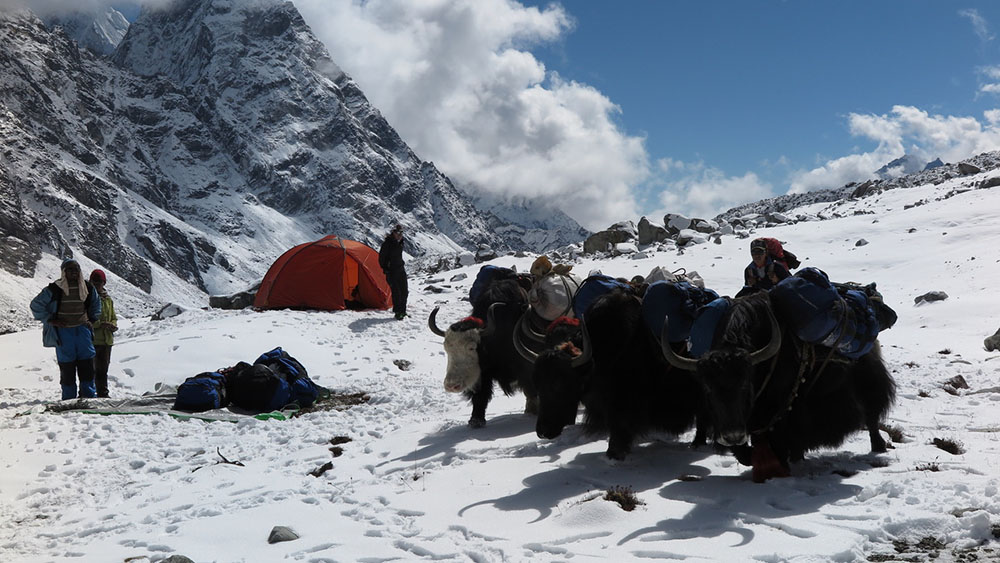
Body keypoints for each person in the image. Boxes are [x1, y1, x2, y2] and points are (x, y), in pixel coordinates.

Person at [29, 259, 102, 400]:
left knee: (86, 366)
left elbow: (96, 305)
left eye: (76, 269)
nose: (74, 272)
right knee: (67, 368)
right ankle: (68, 399)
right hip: (64, 333)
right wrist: (50, 320)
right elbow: (36, 305)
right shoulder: (55, 289)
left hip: (83, 332)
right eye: (70, 269)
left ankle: (88, 397)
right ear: (64, 272)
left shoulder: (87, 287)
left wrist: (91, 320)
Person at [90, 269, 117, 398]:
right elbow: (86, 319)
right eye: (94, 282)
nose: (97, 285)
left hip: (107, 340)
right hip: (94, 340)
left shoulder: (108, 300)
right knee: (92, 370)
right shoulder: (89, 299)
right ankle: (90, 392)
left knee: (103, 369)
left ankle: (102, 393)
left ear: (103, 283)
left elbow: (113, 316)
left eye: (99, 282)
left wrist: (113, 325)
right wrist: (100, 324)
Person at [379, 224, 409, 320]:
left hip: (400, 270)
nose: (400, 234)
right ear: (393, 233)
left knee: (404, 291)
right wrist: (386, 269)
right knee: (397, 292)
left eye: (401, 232)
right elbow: (381, 259)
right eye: (398, 232)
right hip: (391, 272)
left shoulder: (400, 242)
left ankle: (403, 311)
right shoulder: (387, 244)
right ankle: (398, 312)